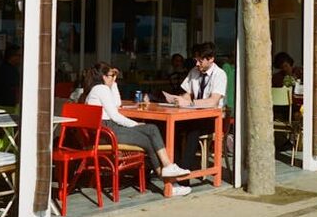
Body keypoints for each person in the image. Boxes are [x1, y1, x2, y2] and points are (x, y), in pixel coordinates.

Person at [83, 62, 191, 196]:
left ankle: (170, 179)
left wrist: (114, 82)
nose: (114, 77)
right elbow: (115, 115)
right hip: (107, 132)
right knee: (150, 132)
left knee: (150, 134)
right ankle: (169, 175)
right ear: (104, 77)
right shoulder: (101, 89)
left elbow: (116, 104)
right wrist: (135, 124)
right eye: (112, 75)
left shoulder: (98, 89)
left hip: (104, 131)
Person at [162, 42, 227, 181]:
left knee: (193, 130)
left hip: (212, 119)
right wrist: (177, 99)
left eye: (200, 60)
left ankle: (184, 176)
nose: (197, 63)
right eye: (196, 60)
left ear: (211, 59)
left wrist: (190, 103)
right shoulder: (194, 72)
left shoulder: (220, 75)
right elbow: (187, 94)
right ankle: (175, 166)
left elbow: (213, 101)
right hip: (194, 116)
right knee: (171, 128)